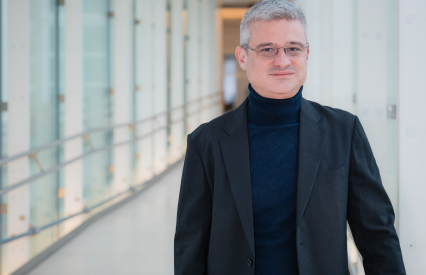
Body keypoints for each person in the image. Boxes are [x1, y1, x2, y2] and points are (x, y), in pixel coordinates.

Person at [174, 0, 406, 274]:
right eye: (267, 49)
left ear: (307, 54)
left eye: (293, 48)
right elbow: (190, 248)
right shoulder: (206, 143)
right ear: (242, 57)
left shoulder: (344, 131)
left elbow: (377, 235)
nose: (282, 60)